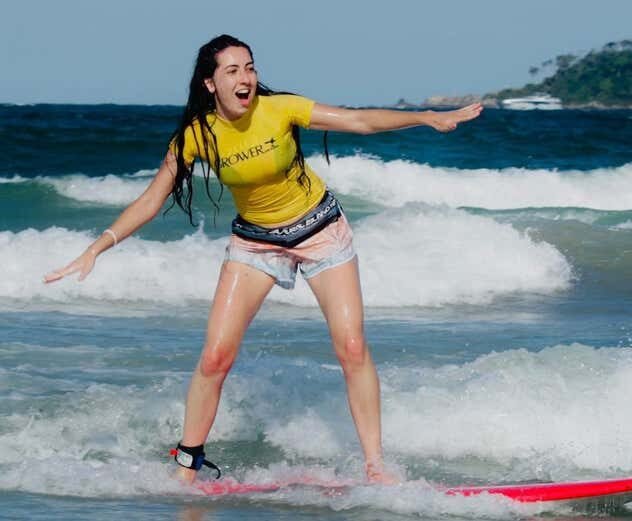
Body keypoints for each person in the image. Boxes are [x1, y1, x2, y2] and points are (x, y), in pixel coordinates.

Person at [44, 34, 482, 484]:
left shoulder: (281, 108)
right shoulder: (197, 136)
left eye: (249, 67)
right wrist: (96, 247)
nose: (245, 78)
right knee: (215, 357)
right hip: (255, 243)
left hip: (321, 232)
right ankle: (186, 470)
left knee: (351, 347)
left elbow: (360, 121)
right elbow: (151, 201)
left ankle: (375, 467)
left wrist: (427, 118)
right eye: (232, 70)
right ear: (210, 83)